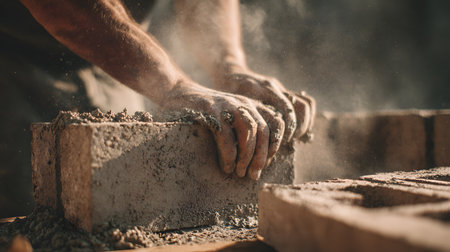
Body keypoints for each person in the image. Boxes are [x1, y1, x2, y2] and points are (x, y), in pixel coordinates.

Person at [0, 0, 315, 217]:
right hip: (14, 57)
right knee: (31, 217)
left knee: (121, 207)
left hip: (116, 54)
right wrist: (175, 86)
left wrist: (228, 66)